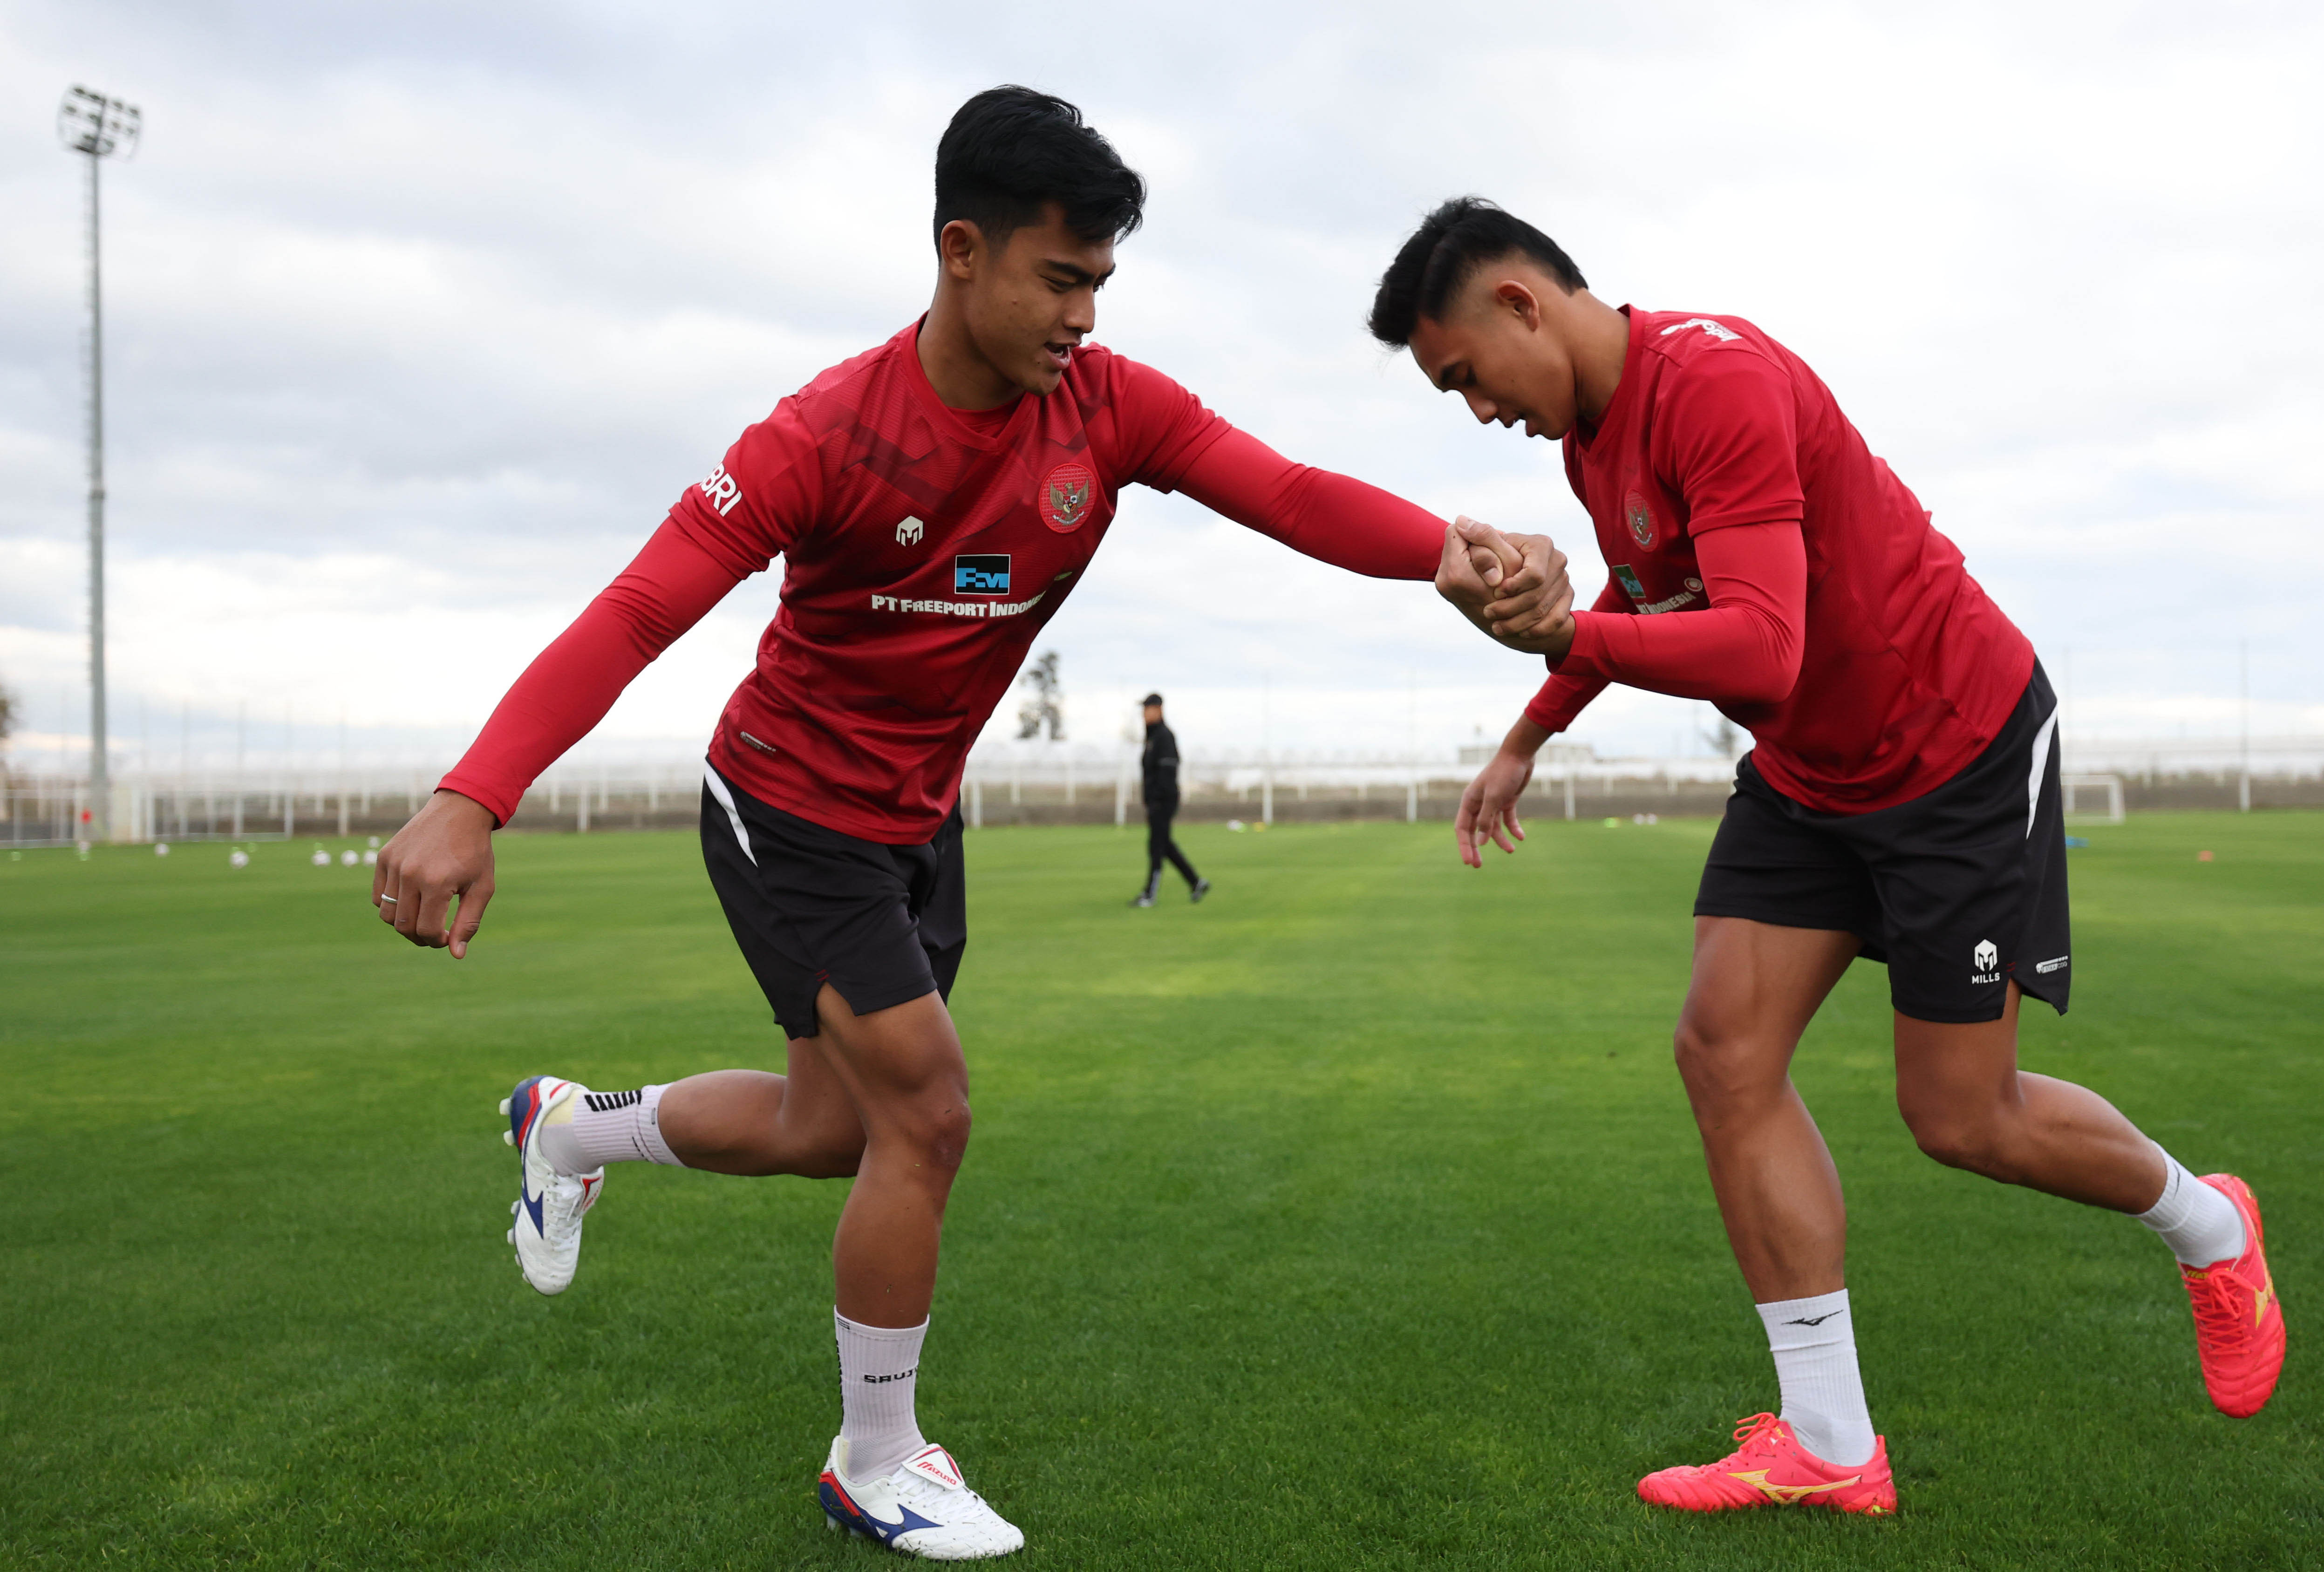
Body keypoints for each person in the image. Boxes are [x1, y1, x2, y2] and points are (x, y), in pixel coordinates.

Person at [372, 94, 1566, 1561]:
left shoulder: (1112, 408)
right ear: (960, 252)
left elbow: (1286, 491)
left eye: (1098, 287)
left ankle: (564, 1131)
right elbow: (637, 610)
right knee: (927, 1116)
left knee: (833, 1133)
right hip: (787, 809)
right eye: (1059, 280)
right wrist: (472, 793)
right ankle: (874, 1460)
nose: (1082, 315)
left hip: (916, 829)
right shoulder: (822, 435)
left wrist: (1453, 555)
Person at [1371, 197, 2285, 1515]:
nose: (1475, 412)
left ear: (1518, 301)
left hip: (1951, 748)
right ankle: (1829, 1442)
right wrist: (1529, 730)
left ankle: (2212, 1225)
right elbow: (1648, 588)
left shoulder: (1717, 378)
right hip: (1809, 776)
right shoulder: (1590, 440)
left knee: (1960, 1115)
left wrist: (1560, 639)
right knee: (1720, 1049)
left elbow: (1758, 647)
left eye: (1462, 376)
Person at [1130, 692, 1206, 906]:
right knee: (1165, 845)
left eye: (1147, 709)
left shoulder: (1164, 736)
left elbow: (1166, 773)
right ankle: (1196, 882)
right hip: (1155, 801)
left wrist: (1157, 800)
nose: (1144, 714)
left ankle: (1150, 894)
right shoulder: (1152, 736)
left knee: (1156, 846)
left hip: (1163, 801)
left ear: (1158, 709)